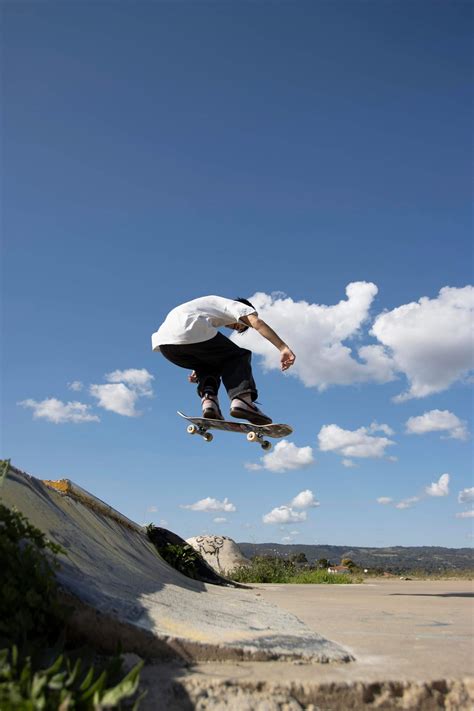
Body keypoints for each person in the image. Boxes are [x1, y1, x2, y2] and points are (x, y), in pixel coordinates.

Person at [151, 295, 295, 424]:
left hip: (166, 345)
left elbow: (185, 337)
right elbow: (257, 323)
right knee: (238, 356)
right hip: (191, 330)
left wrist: (198, 366)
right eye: (240, 326)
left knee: (210, 365)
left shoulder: (206, 307)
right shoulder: (239, 307)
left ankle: (209, 402)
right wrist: (283, 347)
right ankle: (243, 401)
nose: (234, 327)